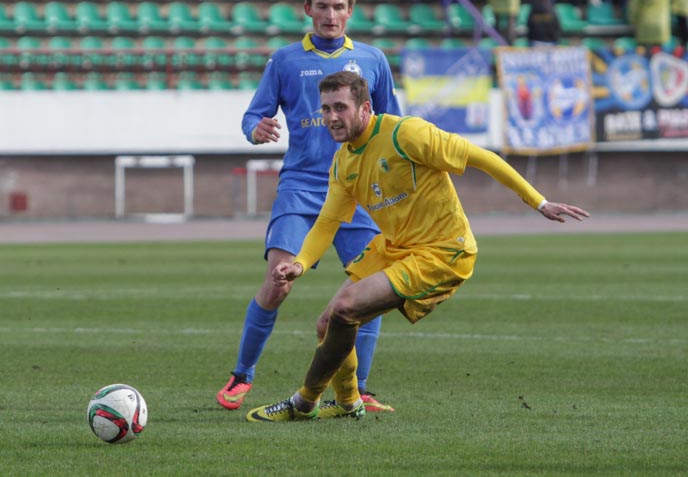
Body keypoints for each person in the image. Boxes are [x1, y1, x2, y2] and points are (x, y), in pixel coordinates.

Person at [246, 71, 590, 422]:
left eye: (340, 107)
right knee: (326, 324)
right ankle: (349, 403)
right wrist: (300, 264)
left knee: (346, 309)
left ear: (364, 107)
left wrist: (538, 201)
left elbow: (482, 157)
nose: (332, 117)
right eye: (326, 109)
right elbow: (327, 223)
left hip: (443, 251)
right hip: (395, 247)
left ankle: (304, 402)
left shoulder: (405, 134)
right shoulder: (343, 162)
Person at [216, 0, 403, 413]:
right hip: (301, 189)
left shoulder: (373, 60)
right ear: (308, 9)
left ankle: (360, 388)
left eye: (338, 7)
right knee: (278, 282)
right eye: (322, 6)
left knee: (369, 291)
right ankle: (242, 375)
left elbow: (391, 125)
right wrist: (255, 129)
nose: (330, 15)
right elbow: (253, 115)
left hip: (359, 191)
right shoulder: (284, 61)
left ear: (350, 11)